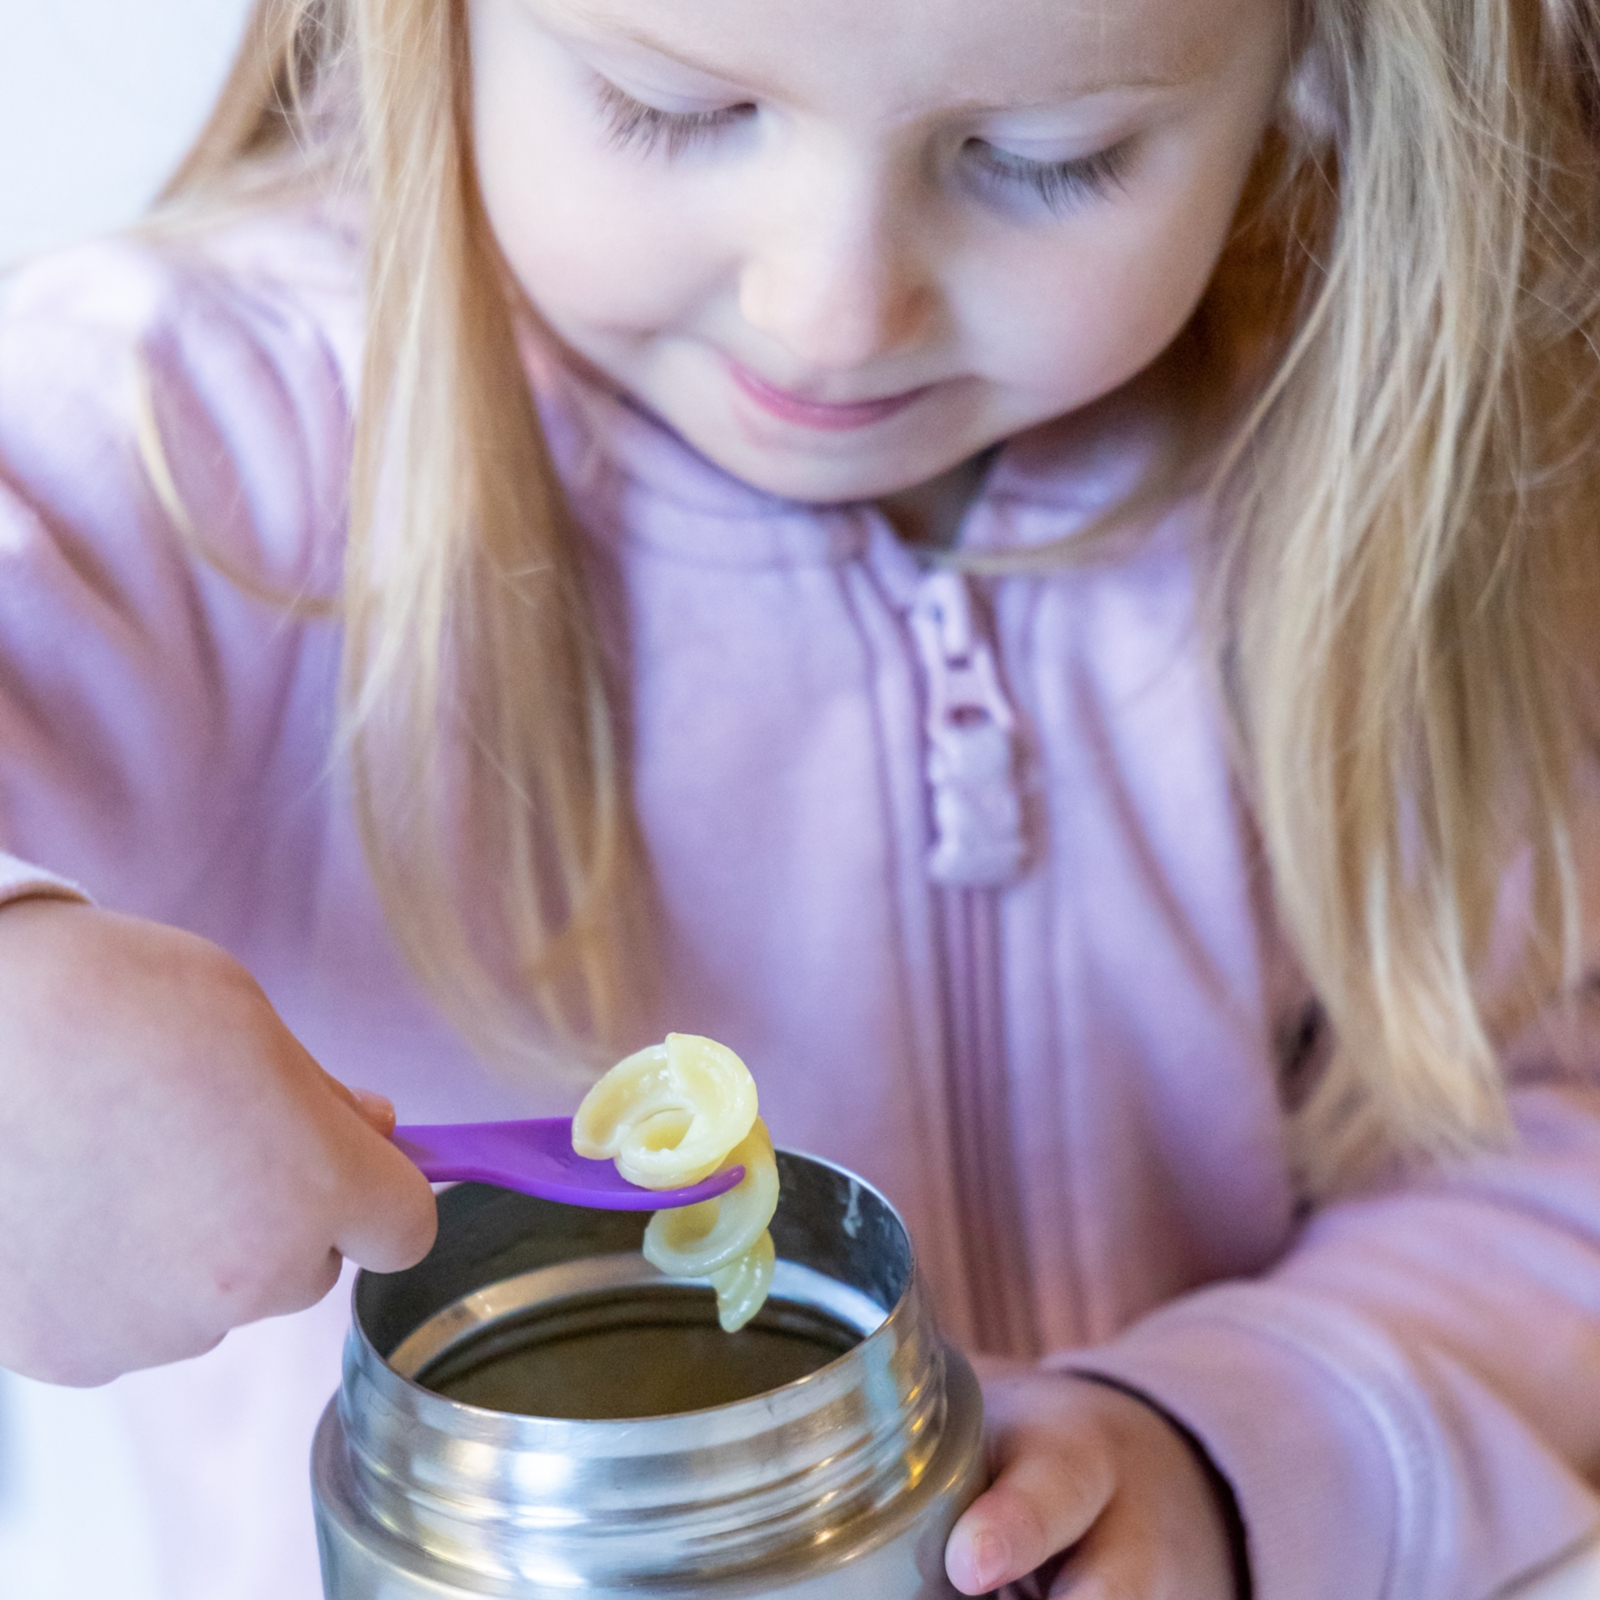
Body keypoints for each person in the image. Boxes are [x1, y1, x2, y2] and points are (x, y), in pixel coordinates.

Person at [1, 0, 1598, 1595]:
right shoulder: (206, 436)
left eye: (1045, 159)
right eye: (670, 108)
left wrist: (1239, 1452)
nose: (831, 312)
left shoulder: (1385, 478)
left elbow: (1554, 1151)